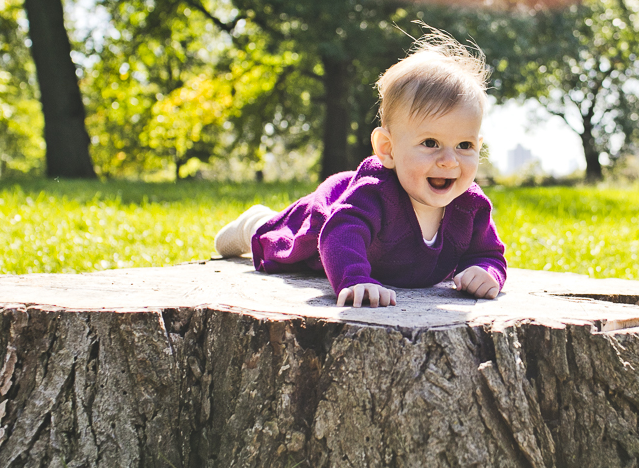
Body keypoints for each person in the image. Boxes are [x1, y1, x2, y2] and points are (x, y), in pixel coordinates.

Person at [214, 31, 507, 307]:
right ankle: (254, 222)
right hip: (324, 220)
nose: (449, 160)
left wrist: (486, 271)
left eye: (464, 145)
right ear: (387, 149)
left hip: (390, 260)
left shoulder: (471, 206)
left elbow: (489, 253)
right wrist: (354, 279)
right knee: (284, 244)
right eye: (431, 142)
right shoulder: (373, 194)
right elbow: (340, 235)